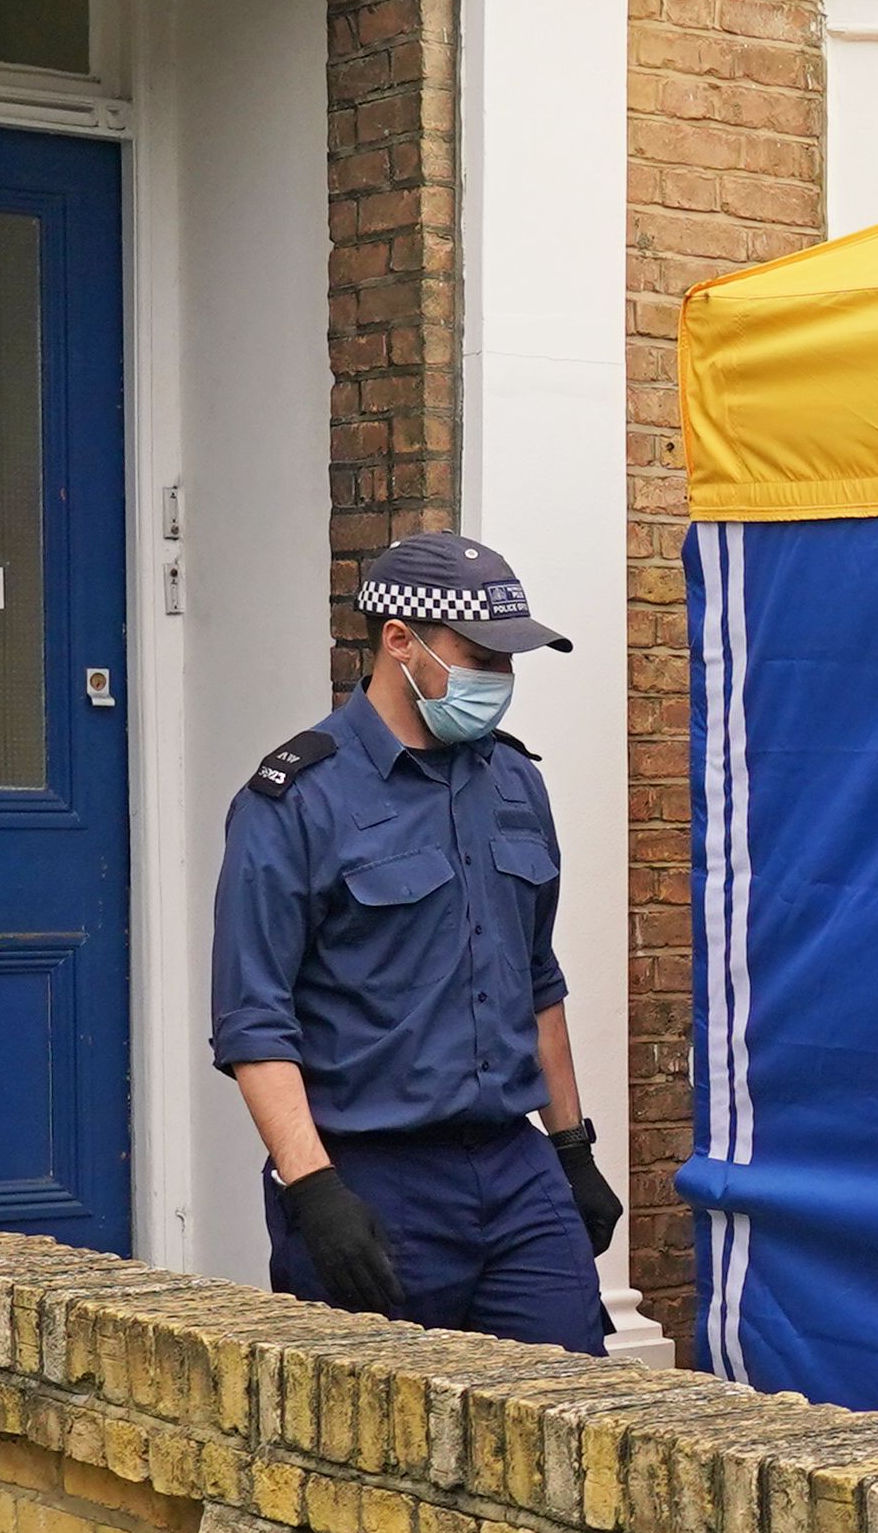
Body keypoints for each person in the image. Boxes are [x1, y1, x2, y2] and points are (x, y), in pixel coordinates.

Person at [208, 532, 626, 1349]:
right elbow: (253, 1018)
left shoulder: (514, 782)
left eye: (510, 663)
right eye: (480, 657)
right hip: (371, 1174)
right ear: (399, 640)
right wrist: (313, 1187)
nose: (499, 681)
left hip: (514, 1169)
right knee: (374, 1451)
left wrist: (571, 1147)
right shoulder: (296, 801)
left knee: (577, 1425)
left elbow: (537, 978)